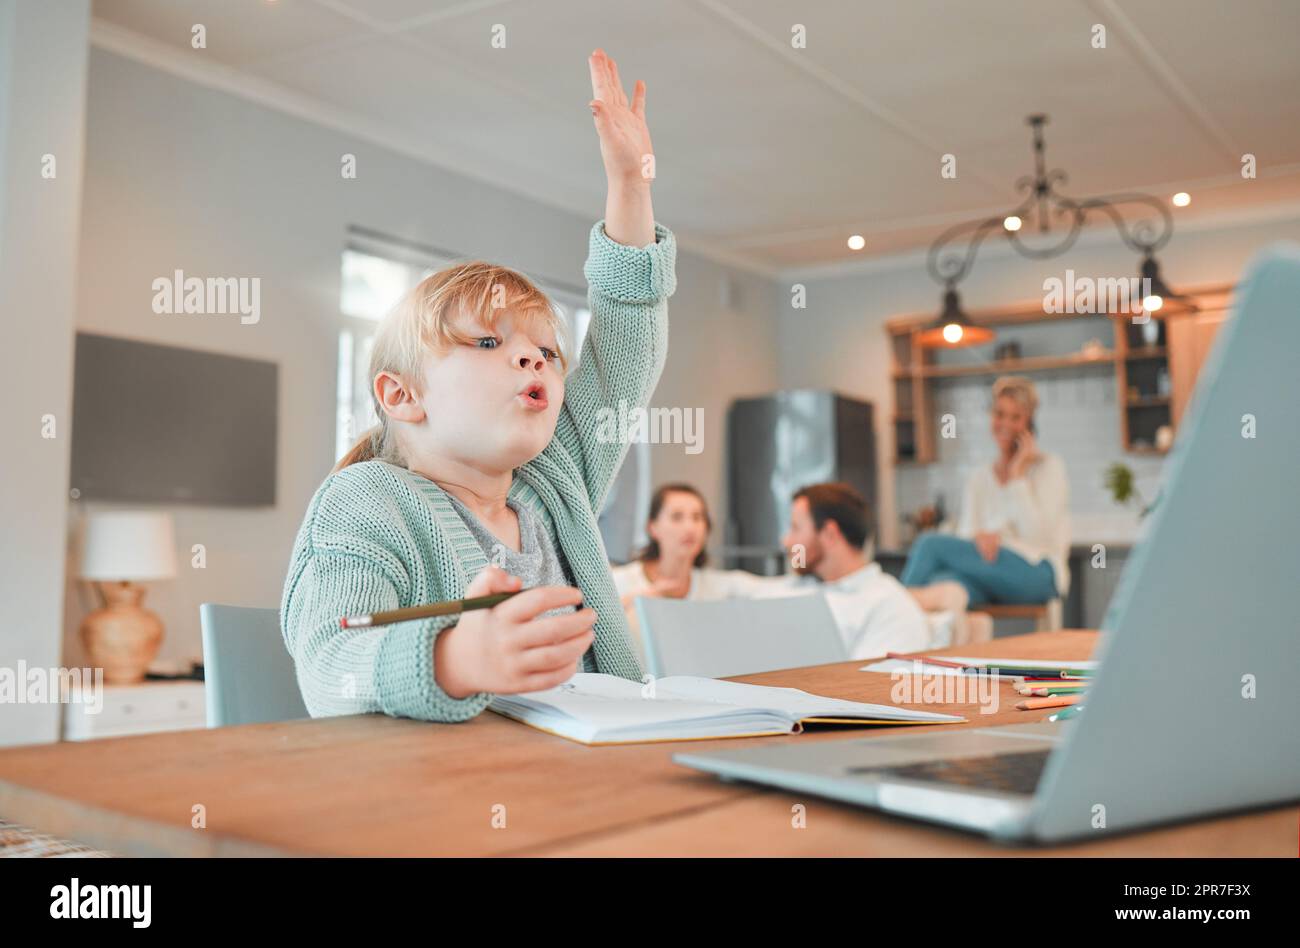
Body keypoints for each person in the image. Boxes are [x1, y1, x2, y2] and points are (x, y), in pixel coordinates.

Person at [281, 50, 674, 721]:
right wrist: (454, 659)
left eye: (548, 351)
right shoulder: (363, 503)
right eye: (490, 343)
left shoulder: (556, 482)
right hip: (446, 809)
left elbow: (623, 352)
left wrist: (631, 188)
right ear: (402, 396)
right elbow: (329, 666)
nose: (535, 361)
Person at [901, 375, 1070, 616]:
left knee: (929, 544)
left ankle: (889, 616)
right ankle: (922, 648)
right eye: (1000, 414)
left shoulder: (1049, 467)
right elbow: (966, 535)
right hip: (989, 573)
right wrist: (979, 538)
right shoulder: (979, 478)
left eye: (1016, 417)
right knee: (945, 582)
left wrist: (1017, 475)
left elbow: (1039, 537)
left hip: (1038, 574)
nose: (1005, 424)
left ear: (1029, 424)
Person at [610, 483, 775, 664]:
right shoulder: (618, 582)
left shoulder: (716, 586)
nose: (690, 527)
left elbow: (775, 590)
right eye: (677, 517)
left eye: (697, 517)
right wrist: (645, 597)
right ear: (653, 527)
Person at [765, 483, 930, 660]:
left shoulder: (889, 607)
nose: (786, 541)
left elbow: (868, 683)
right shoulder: (800, 584)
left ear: (829, 534)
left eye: (796, 528)